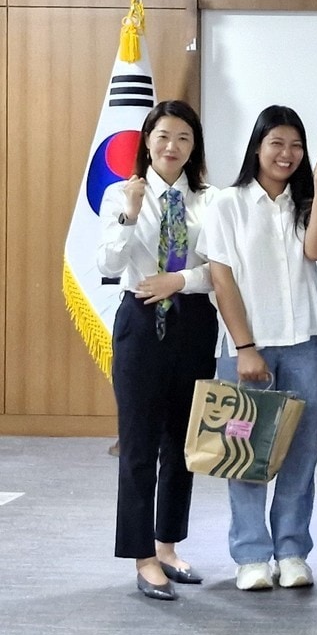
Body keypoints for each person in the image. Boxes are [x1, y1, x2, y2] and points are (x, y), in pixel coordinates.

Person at [201, 105, 317, 592]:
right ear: (257, 147)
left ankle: (293, 549)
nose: (287, 153)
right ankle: (252, 554)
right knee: (247, 451)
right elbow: (221, 277)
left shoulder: (304, 202)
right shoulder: (228, 203)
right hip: (249, 347)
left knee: (300, 455)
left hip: (307, 343)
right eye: (276, 143)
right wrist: (246, 346)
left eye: (296, 145)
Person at [97, 100, 220, 601]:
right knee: (139, 444)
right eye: (164, 136)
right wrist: (130, 211)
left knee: (182, 444)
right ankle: (142, 556)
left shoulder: (209, 201)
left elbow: (219, 269)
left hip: (192, 320)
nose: (173, 147)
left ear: (194, 148)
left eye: (184, 139)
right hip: (141, 320)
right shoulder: (118, 194)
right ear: (147, 140)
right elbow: (108, 259)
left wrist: (180, 279)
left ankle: (168, 546)